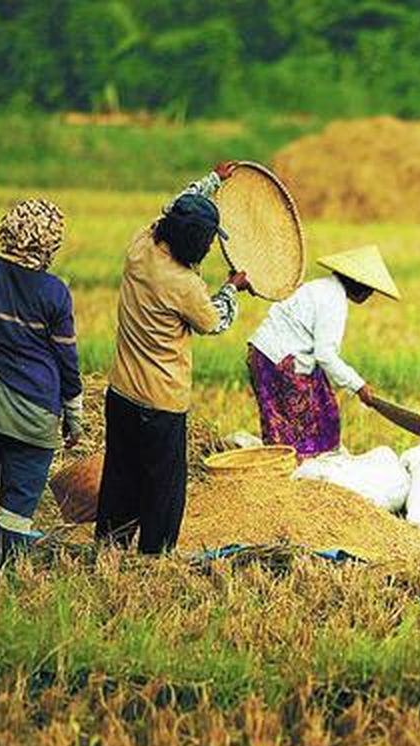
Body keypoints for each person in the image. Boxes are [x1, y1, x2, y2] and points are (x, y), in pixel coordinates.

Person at [94, 163, 252, 554]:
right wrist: (232, 288)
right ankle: (154, 559)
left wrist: (212, 181)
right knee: (163, 488)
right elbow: (215, 322)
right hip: (161, 403)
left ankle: (109, 548)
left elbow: (172, 208)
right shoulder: (185, 286)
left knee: (120, 475)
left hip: (121, 393)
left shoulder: (142, 245)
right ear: (197, 246)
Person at [0, 200, 81, 565]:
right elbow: (67, 359)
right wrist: (74, 413)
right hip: (35, 412)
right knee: (18, 502)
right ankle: (6, 569)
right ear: (49, 245)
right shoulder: (54, 292)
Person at [246, 245, 400, 459]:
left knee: (324, 411)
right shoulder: (333, 302)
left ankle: (305, 470)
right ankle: (297, 477)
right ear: (359, 285)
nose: (370, 294)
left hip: (267, 354)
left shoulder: (321, 287)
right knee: (295, 434)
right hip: (277, 361)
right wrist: (359, 386)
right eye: (370, 289)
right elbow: (325, 355)